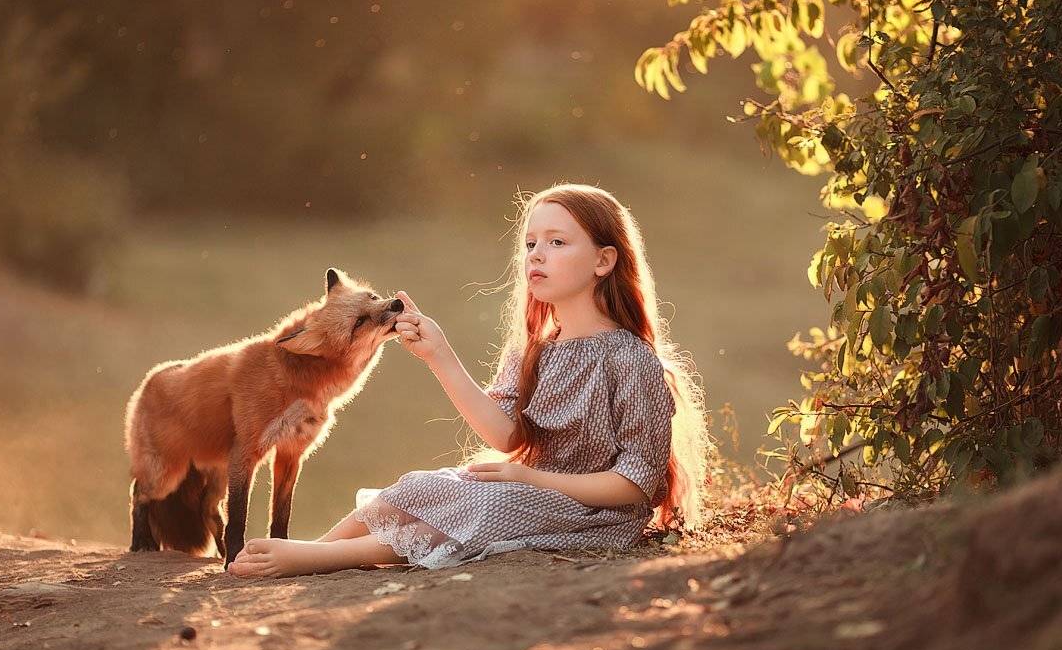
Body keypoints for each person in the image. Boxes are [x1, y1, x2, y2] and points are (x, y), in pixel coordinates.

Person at [227, 183, 713, 579]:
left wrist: (530, 477)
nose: (536, 256)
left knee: (487, 501)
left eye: (557, 243)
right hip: (525, 491)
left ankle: (318, 559)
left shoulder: (631, 360)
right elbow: (503, 434)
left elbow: (635, 484)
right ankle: (316, 546)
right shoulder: (532, 349)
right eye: (530, 244)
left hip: (593, 515)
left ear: (603, 262)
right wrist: (439, 354)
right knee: (423, 485)